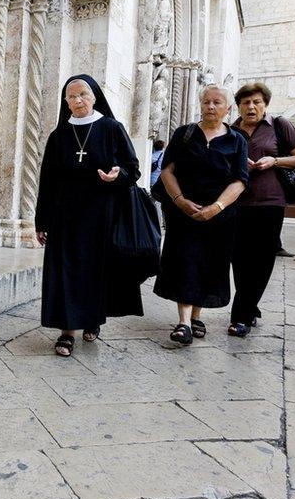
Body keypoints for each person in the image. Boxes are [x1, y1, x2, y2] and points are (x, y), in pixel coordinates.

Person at [35, 74, 143, 357]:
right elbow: (47, 180)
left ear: (95, 96)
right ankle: (67, 331)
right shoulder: (58, 136)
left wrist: (118, 175)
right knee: (66, 272)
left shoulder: (111, 128)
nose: (77, 100)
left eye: (83, 94)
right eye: (71, 97)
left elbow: (133, 167)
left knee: (95, 271)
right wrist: (41, 221)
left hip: (100, 215)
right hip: (64, 216)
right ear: (65, 102)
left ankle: (92, 319)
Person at [153, 85, 249, 344]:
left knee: (209, 262)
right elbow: (167, 170)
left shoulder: (237, 140)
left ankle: (196, 315)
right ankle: (183, 322)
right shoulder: (184, 134)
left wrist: (216, 207)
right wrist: (179, 200)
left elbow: (240, 181)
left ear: (228, 109)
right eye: (206, 101)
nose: (210, 106)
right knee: (185, 260)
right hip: (183, 212)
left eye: (217, 102)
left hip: (220, 216)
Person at [228, 83, 295, 336]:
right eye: (246, 103)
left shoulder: (279, 125)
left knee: (262, 259)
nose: (251, 107)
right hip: (236, 201)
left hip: (270, 202)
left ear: (265, 104)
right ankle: (249, 306)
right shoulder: (230, 131)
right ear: (238, 106)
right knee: (239, 259)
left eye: (256, 102)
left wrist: (274, 160)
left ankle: (240, 314)